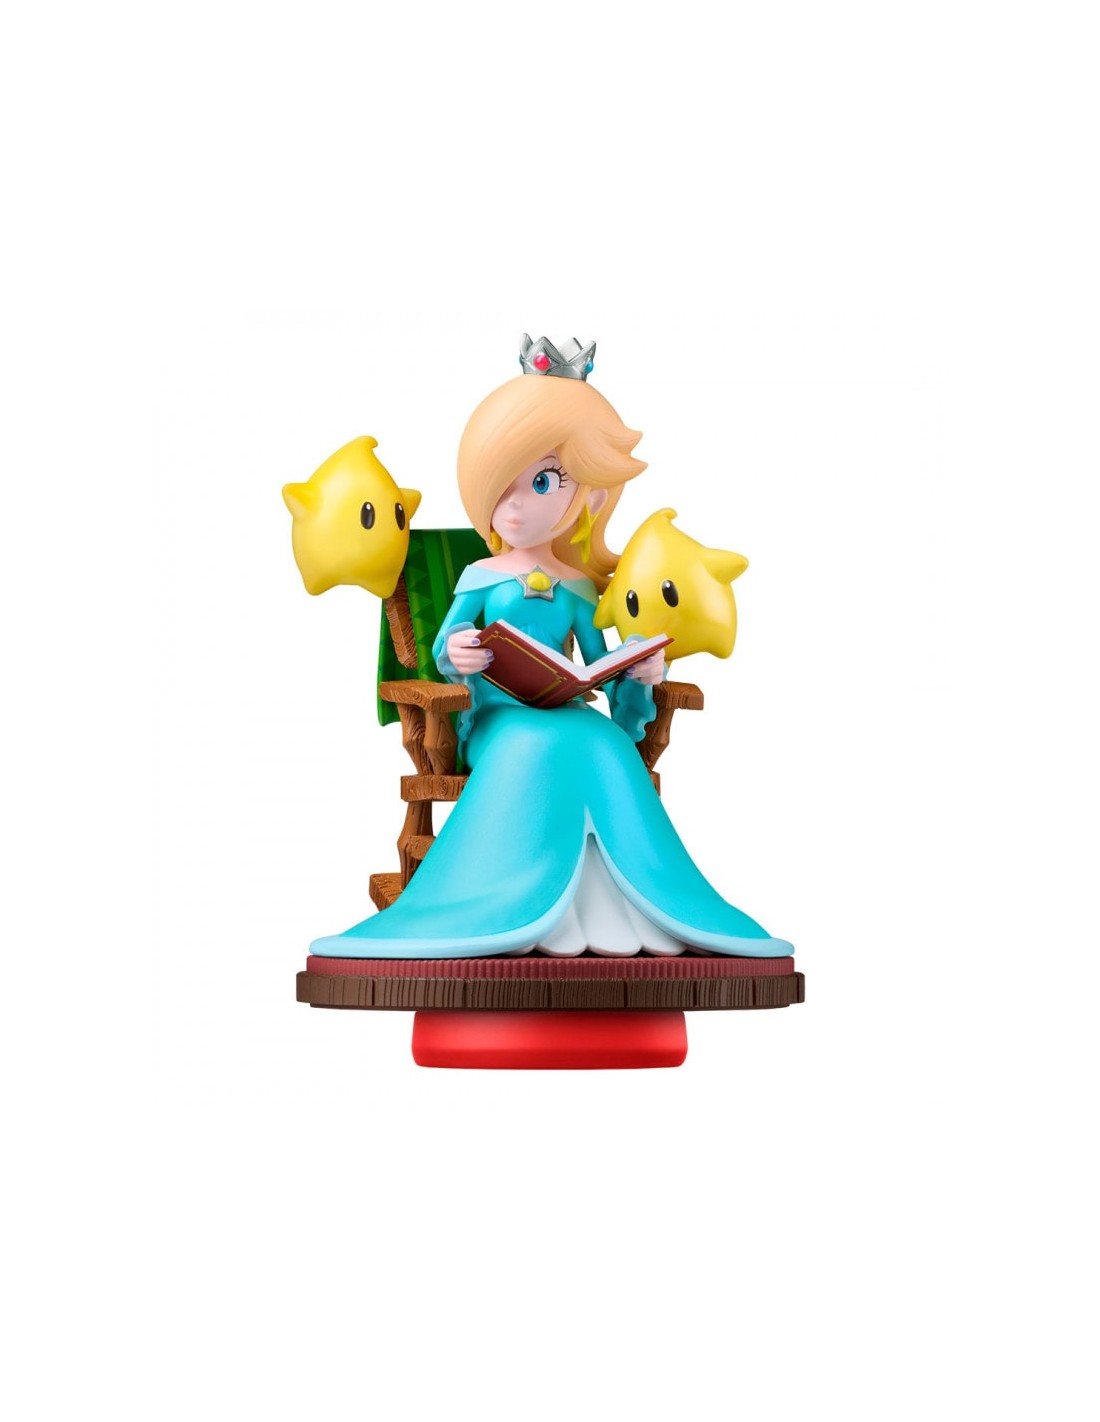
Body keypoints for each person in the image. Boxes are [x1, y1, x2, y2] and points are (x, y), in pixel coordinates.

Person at [309, 337, 793, 959]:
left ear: (587, 496)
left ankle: (624, 901)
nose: (515, 504)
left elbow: (597, 660)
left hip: (567, 709)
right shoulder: (480, 577)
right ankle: (504, 899)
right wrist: (458, 654)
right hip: (497, 715)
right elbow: (444, 644)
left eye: (541, 481)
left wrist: (638, 670)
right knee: (532, 743)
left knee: (603, 742)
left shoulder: (578, 586)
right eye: (502, 484)